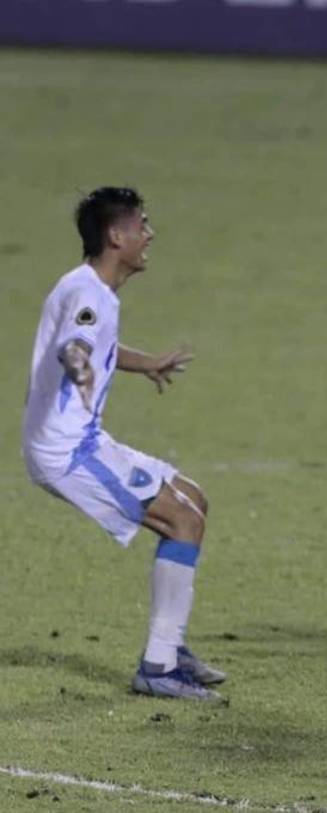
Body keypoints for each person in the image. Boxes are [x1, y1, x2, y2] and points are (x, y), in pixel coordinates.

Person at [23, 187, 225, 701]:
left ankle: (169, 642)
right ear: (117, 235)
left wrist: (145, 362)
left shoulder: (87, 287)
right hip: (68, 453)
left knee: (192, 498)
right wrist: (83, 374)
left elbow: (94, 344)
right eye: (142, 225)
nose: (149, 234)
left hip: (83, 440)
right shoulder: (90, 295)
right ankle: (157, 667)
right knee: (184, 520)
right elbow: (75, 349)